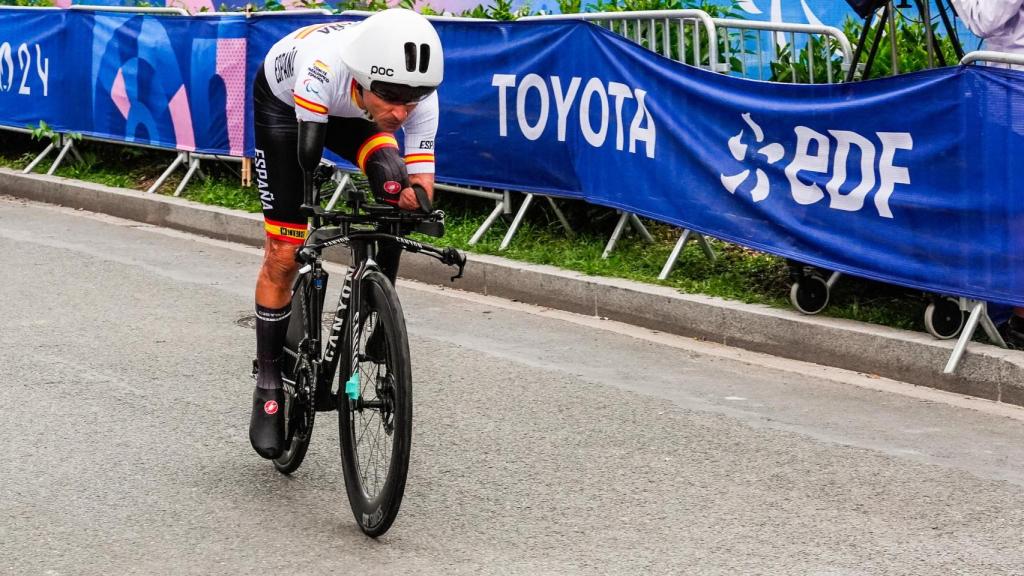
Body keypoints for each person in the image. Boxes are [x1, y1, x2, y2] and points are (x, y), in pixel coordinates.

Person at [249, 8, 443, 459]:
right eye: (392, 98)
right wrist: (303, 218)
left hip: (356, 115)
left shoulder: (417, 99)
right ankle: (270, 382)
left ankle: (376, 305)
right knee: (284, 250)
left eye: (410, 101)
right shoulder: (324, 67)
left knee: (395, 187)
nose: (400, 111)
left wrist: (414, 199)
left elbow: (422, 184)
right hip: (288, 108)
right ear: (364, 77)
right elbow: (308, 155)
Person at [950, 0, 1024, 344]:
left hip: (1013, 92)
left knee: (1013, 206)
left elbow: (986, 19)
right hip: (1009, 90)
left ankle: (1017, 313)